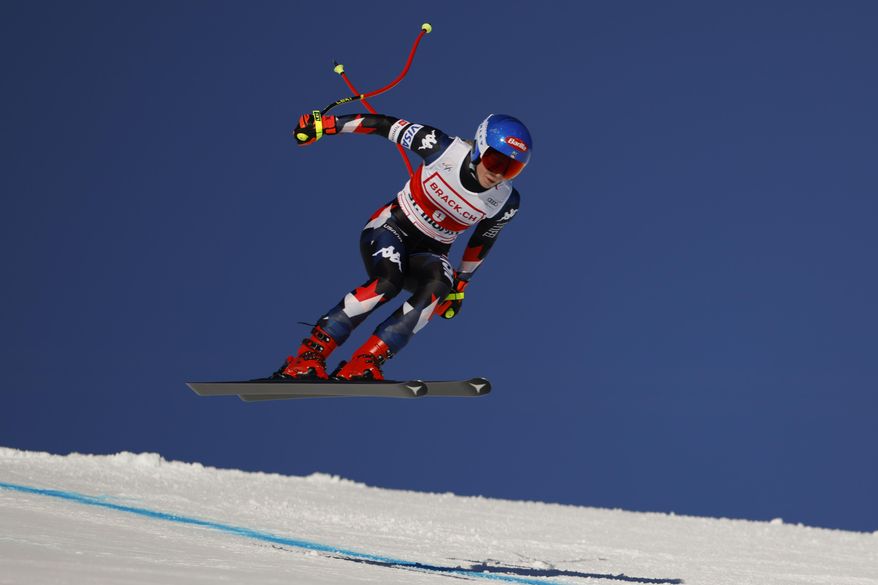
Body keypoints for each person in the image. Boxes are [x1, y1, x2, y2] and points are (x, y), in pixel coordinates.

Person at [275, 111, 532, 380]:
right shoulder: (441, 148)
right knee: (388, 282)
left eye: (510, 169)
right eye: (494, 160)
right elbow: (384, 125)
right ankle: (308, 355)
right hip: (391, 228)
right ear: (480, 146)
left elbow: (483, 240)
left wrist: (462, 283)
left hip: (430, 252)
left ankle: (366, 361)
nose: (497, 173)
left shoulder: (505, 201)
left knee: (440, 287)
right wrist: (328, 125)